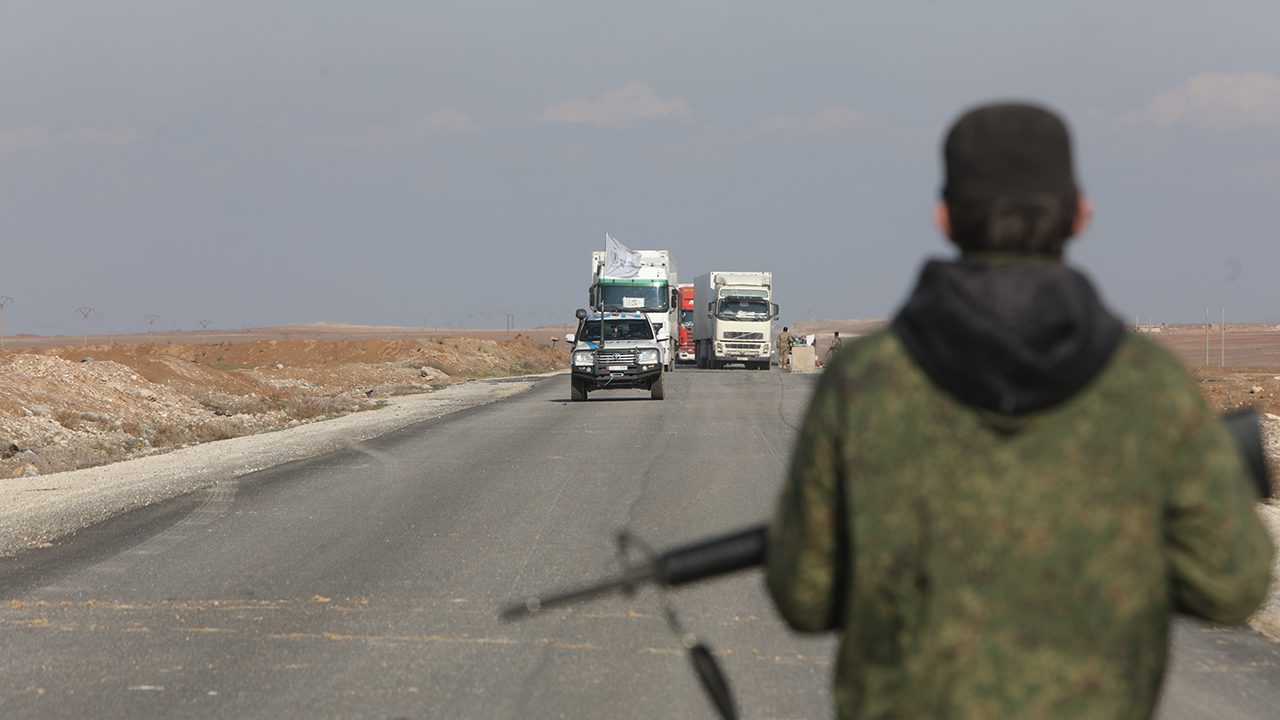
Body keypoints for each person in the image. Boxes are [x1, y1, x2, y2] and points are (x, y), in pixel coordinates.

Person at [765, 102, 1274, 719]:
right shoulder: (1149, 387)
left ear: (945, 218)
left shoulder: (861, 383)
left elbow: (805, 595)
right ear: (1080, 215)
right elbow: (1232, 585)